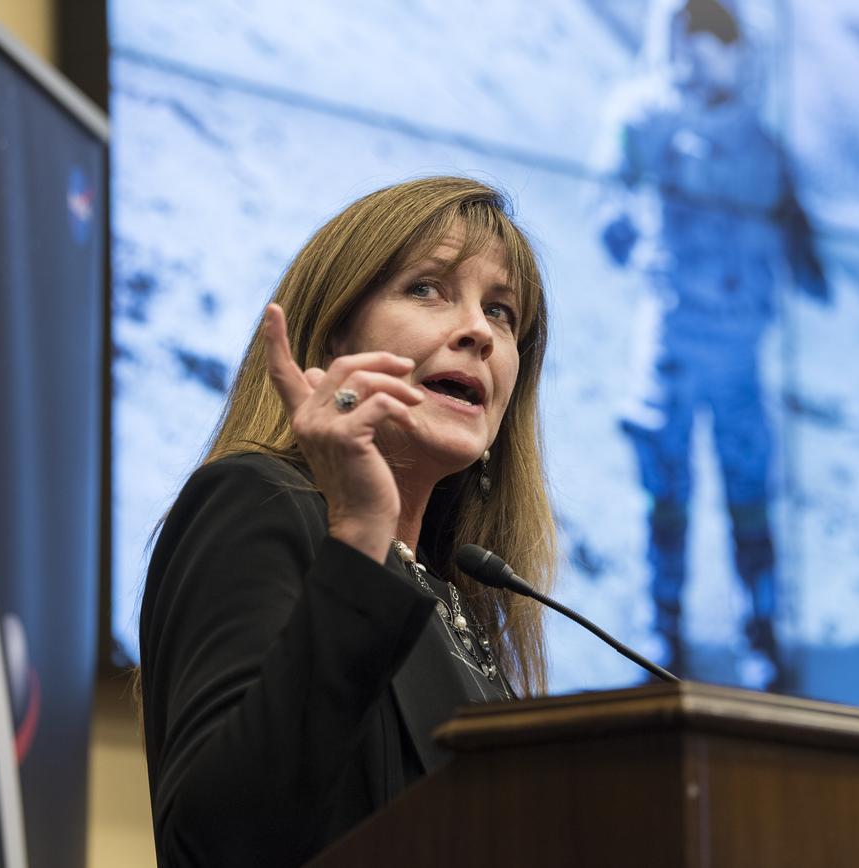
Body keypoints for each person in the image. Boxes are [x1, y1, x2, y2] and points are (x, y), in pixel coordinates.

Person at [138, 177, 556, 867]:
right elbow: (217, 845)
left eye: (503, 312)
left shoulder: (463, 599)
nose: (480, 331)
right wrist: (361, 533)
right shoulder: (257, 503)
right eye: (428, 288)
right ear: (334, 338)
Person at [599, 0, 827, 688]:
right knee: (664, 490)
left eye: (721, 42)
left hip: (740, 350)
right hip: (673, 336)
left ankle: (759, 628)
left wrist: (804, 252)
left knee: (749, 491)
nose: (709, 57)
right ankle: (660, 625)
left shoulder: (761, 142)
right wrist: (624, 227)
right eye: (696, 41)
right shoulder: (644, 118)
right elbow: (607, 201)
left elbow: (795, 229)